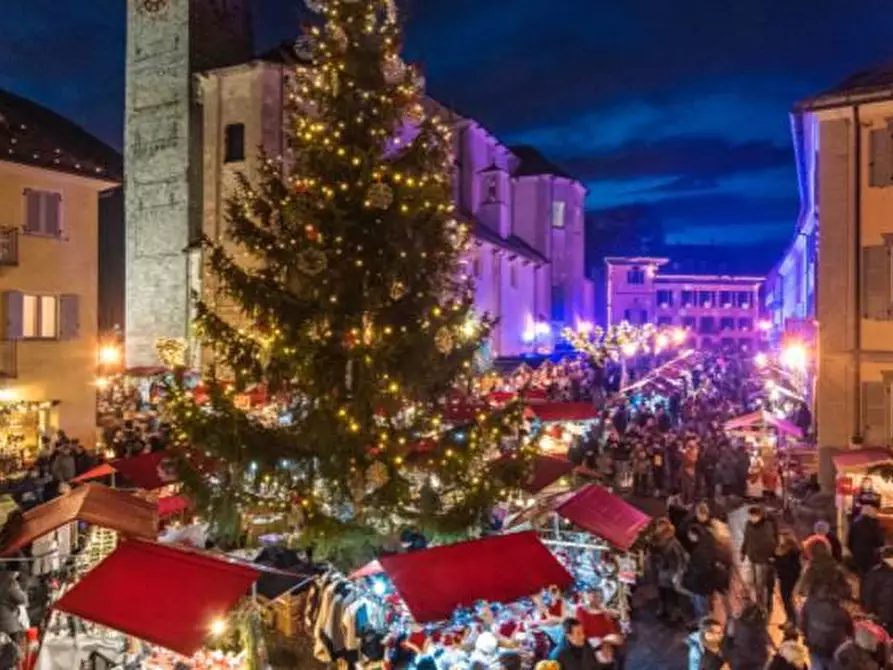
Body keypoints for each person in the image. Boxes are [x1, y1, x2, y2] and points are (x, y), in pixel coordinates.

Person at [799, 586, 853, 670]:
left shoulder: (809, 604)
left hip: (815, 647)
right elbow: (851, 633)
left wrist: (807, 638)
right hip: (834, 651)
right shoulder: (842, 613)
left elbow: (802, 624)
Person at [740, 505, 778, 613]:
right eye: (750, 516)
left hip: (762, 559)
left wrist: (771, 555)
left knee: (760, 584)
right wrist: (743, 551)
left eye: (754, 516)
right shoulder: (748, 525)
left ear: (760, 515)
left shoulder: (767, 526)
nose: (752, 518)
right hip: (751, 556)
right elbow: (746, 538)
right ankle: (753, 602)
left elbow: (772, 542)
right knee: (749, 581)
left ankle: (761, 606)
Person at [681, 525, 719, 620]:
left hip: (700, 584)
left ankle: (703, 623)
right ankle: (705, 618)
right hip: (708, 581)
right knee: (705, 603)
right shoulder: (709, 541)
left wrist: (688, 568)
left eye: (690, 536)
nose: (689, 538)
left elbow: (697, 569)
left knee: (701, 607)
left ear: (695, 535)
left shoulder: (699, 551)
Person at [726, 599, 770, 670]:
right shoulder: (756, 631)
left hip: (737, 662)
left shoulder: (735, 623)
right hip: (749, 663)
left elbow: (728, 644)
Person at [848, 504, 885, 581]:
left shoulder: (855, 522)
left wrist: (852, 550)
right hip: (870, 553)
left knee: (861, 574)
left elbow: (850, 540)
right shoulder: (874, 523)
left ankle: (862, 587)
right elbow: (879, 541)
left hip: (857, 552)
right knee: (869, 574)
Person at [863, 546, 893, 634]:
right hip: (887, 620)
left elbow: (866, 595)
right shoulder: (888, 576)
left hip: (877, 619)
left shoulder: (872, 573)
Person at [775, 530, 802, 627]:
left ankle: (792, 621)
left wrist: (776, 560)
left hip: (788, 578)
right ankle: (790, 619)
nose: (781, 538)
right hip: (784, 577)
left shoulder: (791, 551)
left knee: (787, 599)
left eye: (783, 536)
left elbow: (785, 564)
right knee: (786, 599)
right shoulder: (783, 549)